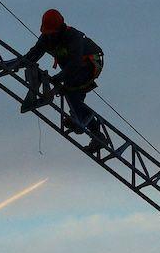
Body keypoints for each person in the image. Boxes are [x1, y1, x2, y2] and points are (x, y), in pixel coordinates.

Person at [16, 9, 105, 151]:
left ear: (59, 29)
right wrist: (19, 63)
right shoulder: (46, 38)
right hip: (72, 68)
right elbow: (35, 53)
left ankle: (87, 125)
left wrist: (58, 79)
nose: (50, 37)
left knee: (71, 89)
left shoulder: (73, 37)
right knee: (73, 96)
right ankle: (87, 126)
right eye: (47, 34)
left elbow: (75, 64)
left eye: (52, 34)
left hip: (90, 64)